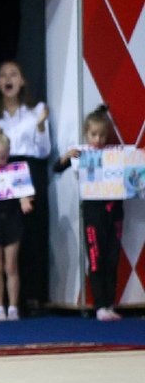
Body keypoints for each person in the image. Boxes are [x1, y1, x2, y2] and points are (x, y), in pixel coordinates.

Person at [0, 60, 51, 312]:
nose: (8, 79)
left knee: (30, 233)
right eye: (3, 75)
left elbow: (45, 150)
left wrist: (39, 126)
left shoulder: (36, 109)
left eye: (14, 74)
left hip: (27, 172)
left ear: (23, 80)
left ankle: (32, 297)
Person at [54, 104, 123, 321]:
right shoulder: (81, 154)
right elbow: (56, 168)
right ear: (86, 133)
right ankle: (99, 305)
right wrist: (67, 156)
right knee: (96, 258)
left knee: (112, 259)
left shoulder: (116, 154)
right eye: (94, 134)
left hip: (115, 211)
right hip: (93, 212)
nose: (98, 139)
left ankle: (110, 304)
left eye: (103, 135)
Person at [0, 128, 33, 321]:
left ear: (9, 153)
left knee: (11, 266)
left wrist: (25, 200)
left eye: (3, 157)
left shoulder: (16, 171)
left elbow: (24, 190)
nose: (0, 162)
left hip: (12, 221)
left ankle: (13, 307)